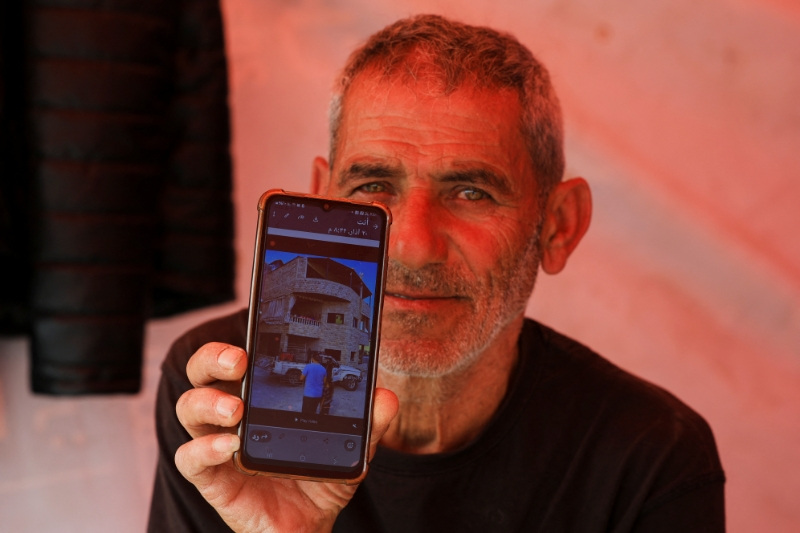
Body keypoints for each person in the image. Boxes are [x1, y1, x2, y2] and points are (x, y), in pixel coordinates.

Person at [148, 14, 725, 532]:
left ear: (558, 226)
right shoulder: (223, 393)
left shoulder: (651, 453)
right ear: (326, 198)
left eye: (471, 192)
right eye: (373, 186)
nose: (414, 246)